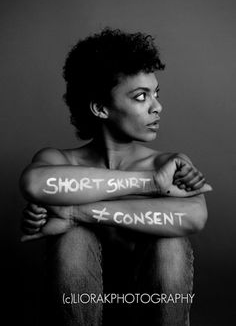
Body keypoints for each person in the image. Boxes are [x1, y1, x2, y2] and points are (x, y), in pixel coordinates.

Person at [20, 28, 212, 326]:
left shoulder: (165, 162)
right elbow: (35, 184)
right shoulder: (59, 160)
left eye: (156, 94)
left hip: (150, 308)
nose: (157, 106)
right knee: (72, 239)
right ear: (100, 108)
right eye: (140, 96)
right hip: (79, 308)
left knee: (170, 244)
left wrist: (74, 212)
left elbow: (194, 216)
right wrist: (150, 184)